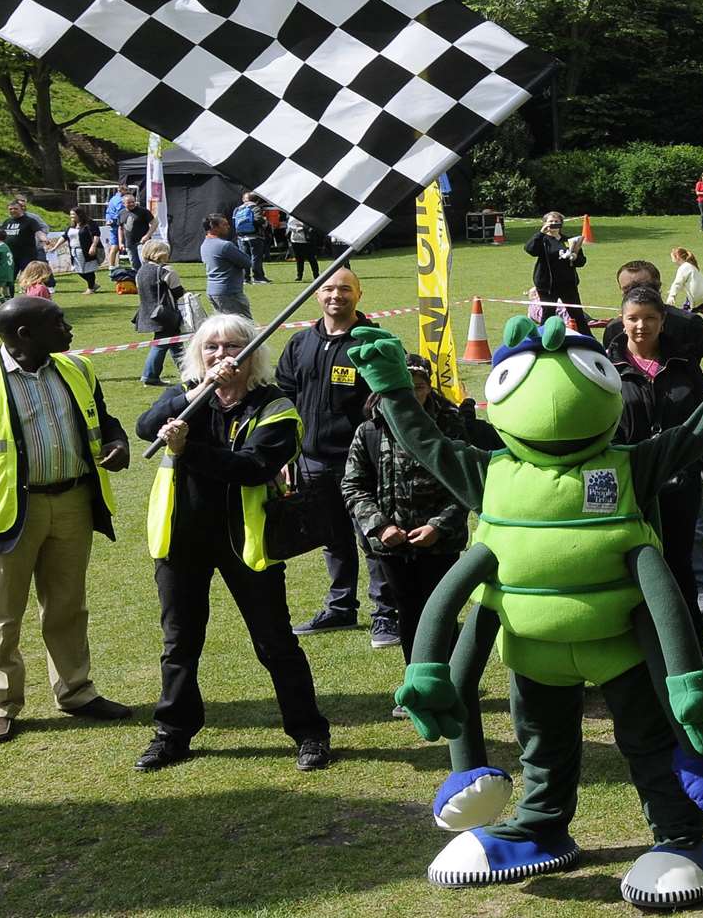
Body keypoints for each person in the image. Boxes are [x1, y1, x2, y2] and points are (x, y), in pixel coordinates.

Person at [0, 295, 133, 743]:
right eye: (59, 322)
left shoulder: (76, 368)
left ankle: (76, 691)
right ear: (25, 334)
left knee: (67, 605)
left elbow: (105, 419)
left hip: (74, 502)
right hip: (7, 511)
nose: (69, 329)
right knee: (0, 613)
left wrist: (118, 442)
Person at [134, 314, 329, 771]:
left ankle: (309, 732)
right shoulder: (186, 398)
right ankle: (173, 734)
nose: (222, 356)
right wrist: (195, 395)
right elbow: (146, 427)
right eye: (212, 348)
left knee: (275, 644)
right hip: (181, 540)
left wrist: (188, 450)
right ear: (198, 356)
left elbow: (252, 466)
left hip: (248, 541)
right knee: (179, 644)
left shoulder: (275, 406)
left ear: (252, 354)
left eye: (233, 348)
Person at [343, 353, 470, 704]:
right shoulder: (370, 427)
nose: (412, 396)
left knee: (441, 611)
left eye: (419, 387)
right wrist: (380, 527)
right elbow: (353, 486)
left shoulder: (451, 425)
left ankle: (452, 680)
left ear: (429, 387)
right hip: (392, 546)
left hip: (441, 543)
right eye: (403, 389)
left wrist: (438, 527)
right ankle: (418, 685)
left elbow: (467, 483)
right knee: (410, 612)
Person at [608, 286, 703, 651]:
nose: (641, 326)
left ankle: (690, 645)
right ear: (621, 321)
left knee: (678, 563)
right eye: (633, 318)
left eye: (649, 318)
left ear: (662, 321)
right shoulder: (606, 366)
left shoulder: (683, 363)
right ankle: (637, 648)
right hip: (630, 481)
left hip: (680, 481)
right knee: (632, 566)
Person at [279, 268, 392, 644]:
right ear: (316, 295)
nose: (335, 296)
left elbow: (389, 401)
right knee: (332, 538)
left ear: (359, 294)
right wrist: (285, 453)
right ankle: (341, 607)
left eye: (345, 289)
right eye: (328, 288)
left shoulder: (374, 342)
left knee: (373, 537)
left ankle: (387, 613)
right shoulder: (299, 344)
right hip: (311, 460)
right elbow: (284, 399)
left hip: (361, 464)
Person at [525, 210, 588, 333]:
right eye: (550, 221)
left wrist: (575, 257)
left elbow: (581, 261)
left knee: (577, 315)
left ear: (561, 224)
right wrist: (540, 233)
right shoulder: (542, 240)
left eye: (556, 221)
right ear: (544, 223)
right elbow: (530, 249)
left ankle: (590, 342)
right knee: (548, 315)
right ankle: (543, 340)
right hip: (547, 286)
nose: (553, 224)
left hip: (568, 285)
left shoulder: (570, 240)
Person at [135, 240, 187, 387]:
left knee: (174, 343)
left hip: (148, 313)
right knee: (162, 344)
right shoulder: (166, 271)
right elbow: (178, 292)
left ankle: (188, 372)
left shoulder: (140, 271)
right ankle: (149, 376)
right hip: (166, 314)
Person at [200, 214, 253, 318]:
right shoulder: (225, 245)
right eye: (224, 225)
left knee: (225, 327)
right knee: (242, 326)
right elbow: (247, 262)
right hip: (229, 292)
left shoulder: (204, 244)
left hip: (213, 290)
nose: (228, 227)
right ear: (213, 227)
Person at [0, 200, 51, 273]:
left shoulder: (30, 221)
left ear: (21, 209)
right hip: (11, 256)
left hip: (27, 256)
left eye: (15, 209)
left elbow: (38, 232)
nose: (13, 210)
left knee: (27, 278)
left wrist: (44, 239)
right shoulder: (7, 222)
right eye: (10, 209)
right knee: (9, 279)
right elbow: (1, 235)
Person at [230, 191, 269, 284]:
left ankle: (245, 278)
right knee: (256, 257)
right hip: (255, 236)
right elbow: (258, 220)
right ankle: (258, 278)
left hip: (241, 237)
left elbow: (233, 222)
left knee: (244, 257)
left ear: (243, 199)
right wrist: (265, 222)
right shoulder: (255, 207)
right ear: (257, 200)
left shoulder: (237, 209)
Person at [666, 247, 703, 317]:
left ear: (677, 257)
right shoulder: (691, 265)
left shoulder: (683, 267)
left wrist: (672, 296)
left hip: (698, 295)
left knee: (685, 317)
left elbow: (677, 283)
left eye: (672, 256)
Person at [64, 208, 103, 295]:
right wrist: (55, 247)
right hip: (74, 251)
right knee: (77, 270)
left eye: (73, 214)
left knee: (89, 270)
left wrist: (93, 246)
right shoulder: (72, 225)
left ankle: (90, 288)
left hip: (86, 250)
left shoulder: (89, 223)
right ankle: (93, 284)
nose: (71, 216)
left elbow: (96, 235)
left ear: (79, 214)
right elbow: (64, 236)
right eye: (70, 214)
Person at [118, 184, 155, 273]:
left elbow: (154, 223)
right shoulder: (121, 213)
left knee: (145, 263)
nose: (131, 204)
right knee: (134, 265)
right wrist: (120, 243)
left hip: (143, 243)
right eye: (129, 202)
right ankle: (138, 283)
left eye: (133, 202)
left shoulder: (143, 211)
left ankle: (148, 281)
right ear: (124, 204)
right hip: (129, 243)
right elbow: (120, 228)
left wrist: (147, 236)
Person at [287, 213, 320, 281]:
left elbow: (312, 225)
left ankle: (316, 275)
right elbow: (290, 226)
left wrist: (302, 227)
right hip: (296, 241)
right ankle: (299, 276)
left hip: (308, 241)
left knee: (312, 259)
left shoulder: (308, 215)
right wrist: (299, 228)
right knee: (299, 260)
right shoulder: (293, 216)